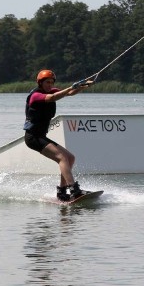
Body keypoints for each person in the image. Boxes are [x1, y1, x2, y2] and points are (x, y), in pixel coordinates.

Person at [24, 69, 94, 201]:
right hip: (33, 137)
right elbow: (53, 98)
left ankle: (62, 191)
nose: (50, 85)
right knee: (62, 158)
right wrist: (69, 88)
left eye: (51, 82)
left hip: (41, 136)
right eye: (47, 82)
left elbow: (70, 93)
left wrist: (84, 86)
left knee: (70, 158)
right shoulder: (36, 96)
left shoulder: (51, 90)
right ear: (40, 83)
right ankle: (74, 190)